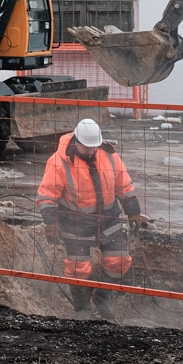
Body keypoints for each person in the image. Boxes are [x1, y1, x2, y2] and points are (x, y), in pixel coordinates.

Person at [37, 118, 152, 322]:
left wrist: (133, 211)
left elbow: (124, 186)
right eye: (87, 148)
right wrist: (51, 223)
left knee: (120, 261)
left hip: (107, 219)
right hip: (75, 223)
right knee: (78, 269)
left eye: (94, 147)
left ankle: (102, 296)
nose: (92, 152)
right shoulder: (59, 161)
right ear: (76, 143)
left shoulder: (109, 155)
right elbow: (47, 196)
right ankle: (82, 307)